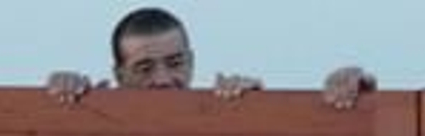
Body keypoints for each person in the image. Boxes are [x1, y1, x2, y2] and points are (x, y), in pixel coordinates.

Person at [47, 7, 265, 103]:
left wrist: (252, 104)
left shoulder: (219, 121)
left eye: (175, 63)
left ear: (191, 63)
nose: (162, 80)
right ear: (120, 75)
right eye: (145, 69)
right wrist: (65, 99)